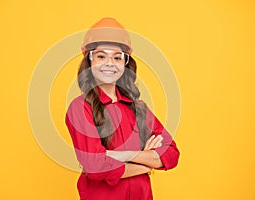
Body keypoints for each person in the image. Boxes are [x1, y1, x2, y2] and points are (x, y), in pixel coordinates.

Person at [65, 17, 180, 200]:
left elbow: (172, 154)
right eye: (101, 56)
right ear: (89, 60)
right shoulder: (80, 108)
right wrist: (146, 163)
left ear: (125, 63)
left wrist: (122, 155)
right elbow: (96, 167)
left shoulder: (139, 108)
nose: (109, 63)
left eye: (117, 57)